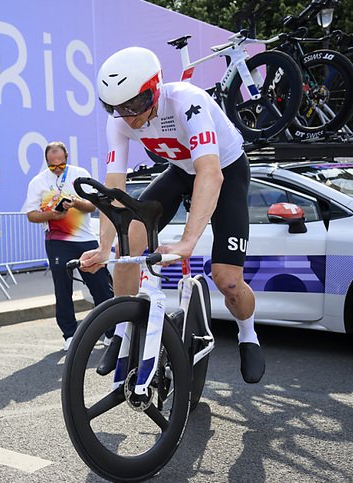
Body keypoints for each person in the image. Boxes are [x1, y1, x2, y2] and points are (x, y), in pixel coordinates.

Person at [79, 46, 265, 383]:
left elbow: (210, 173)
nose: (127, 116)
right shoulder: (120, 122)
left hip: (226, 169)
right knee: (126, 248)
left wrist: (186, 241)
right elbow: (114, 188)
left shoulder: (185, 102)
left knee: (229, 281)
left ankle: (247, 334)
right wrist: (104, 245)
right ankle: (121, 333)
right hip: (180, 171)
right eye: (115, 107)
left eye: (134, 104)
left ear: (153, 88)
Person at [22, 142, 114, 351]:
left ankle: (110, 331)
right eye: (51, 164)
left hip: (86, 239)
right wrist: (51, 215)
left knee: (100, 285)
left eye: (60, 163)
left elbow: (93, 204)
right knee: (63, 289)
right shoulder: (38, 181)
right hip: (57, 241)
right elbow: (31, 214)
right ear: (46, 161)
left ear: (67, 157)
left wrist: (76, 203)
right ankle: (70, 334)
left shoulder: (79, 174)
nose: (56, 167)